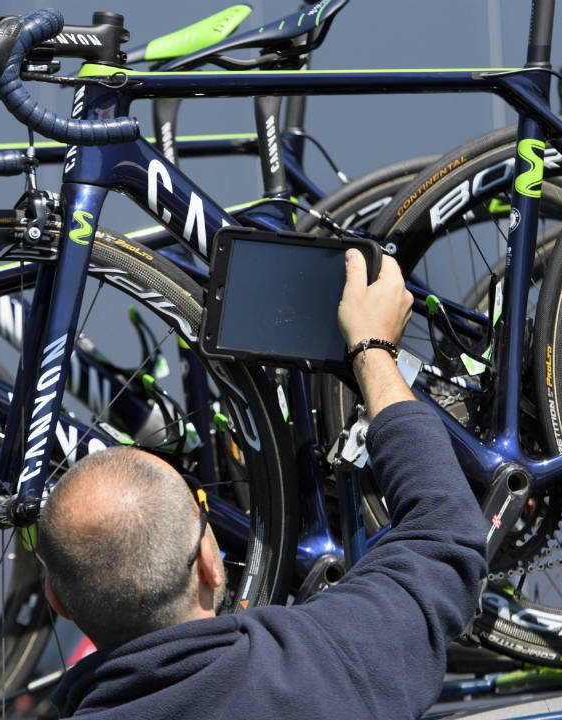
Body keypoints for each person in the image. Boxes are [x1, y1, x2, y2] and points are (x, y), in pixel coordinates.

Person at [36, 250, 488, 719]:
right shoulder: (323, 666)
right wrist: (373, 352)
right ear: (209, 561)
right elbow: (446, 535)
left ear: (57, 600)